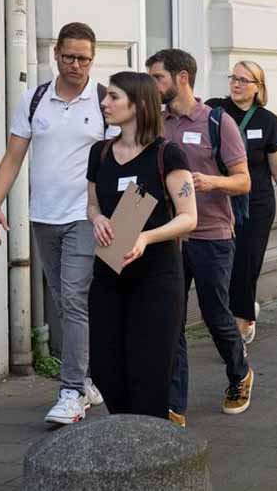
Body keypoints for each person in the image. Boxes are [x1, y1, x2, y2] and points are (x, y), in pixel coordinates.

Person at [0, 22, 108, 424]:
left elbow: (122, 159)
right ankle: (89, 377)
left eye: (84, 58)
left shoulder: (105, 101)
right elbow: (12, 157)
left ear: (93, 59)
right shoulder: (34, 98)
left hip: (84, 217)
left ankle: (72, 390)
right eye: (69, 56)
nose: (76, 65)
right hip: (43, 216)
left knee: (73, 299)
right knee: (63, 301)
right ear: (56, 53)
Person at [147, 48, 254, 425]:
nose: (153, 85)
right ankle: (174, 405)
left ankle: (239, 372)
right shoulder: (156, 123)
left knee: (215, 314)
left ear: (181, 78)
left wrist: (211, 181)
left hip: (212, 235)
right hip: (170, 238)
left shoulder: (216, 122)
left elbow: (244, 181)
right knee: (170, 319)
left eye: (158, 77)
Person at [86, 72, 197, 419]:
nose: (105, 102)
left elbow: (188, 217)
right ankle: (124, 436)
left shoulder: (167, 154)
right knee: (106, 367)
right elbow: (92, 204)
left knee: (148, 372)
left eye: (114, 97)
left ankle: (150, 452)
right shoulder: (100, 152)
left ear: (138, 104)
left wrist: (146, 236)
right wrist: (98, 220)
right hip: (109, 272)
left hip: (156, 278)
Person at [206, 61, 277, 345]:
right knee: (219, 269)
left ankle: (239, 330)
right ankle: (243, 310)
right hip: (217, 202)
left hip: (256, 205)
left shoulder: (267, 121)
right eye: (233, 78)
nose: (236, 84)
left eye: (244, 80)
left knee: (245, 266)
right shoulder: (214, 111)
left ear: (258, 87)